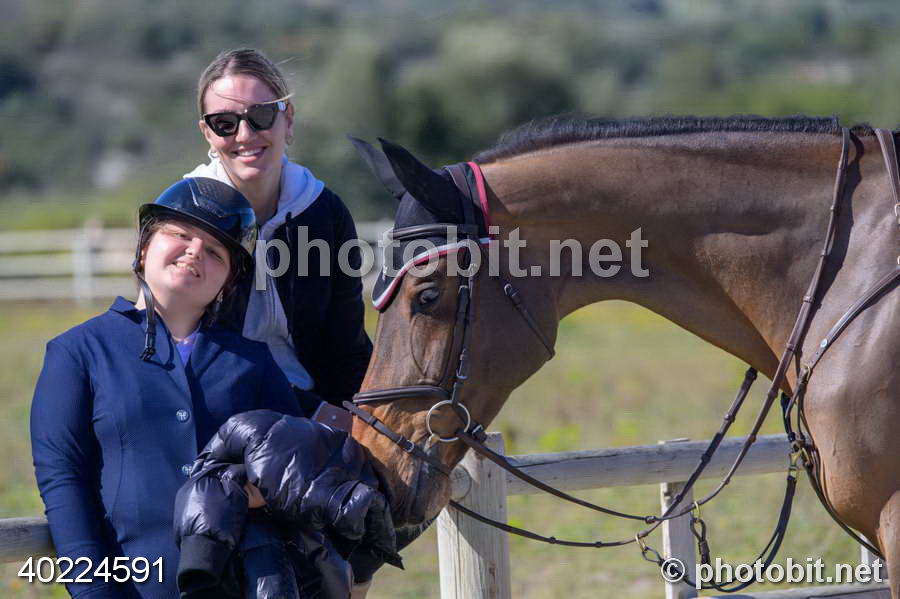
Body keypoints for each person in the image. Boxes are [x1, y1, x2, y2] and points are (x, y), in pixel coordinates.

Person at [30, 179, 306, 599]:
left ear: (228, 282)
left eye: (215, 252)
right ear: (144, 248)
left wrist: (259, 493)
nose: (195, 251)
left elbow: (294, 471)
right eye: (180, 234)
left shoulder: (254, 363)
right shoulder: (77, 352)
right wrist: (93, 591)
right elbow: (63, 480)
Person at [186, 48, 372, 432]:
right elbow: (194, 353)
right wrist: (314, 413)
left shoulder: (325, 212)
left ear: (288, 119)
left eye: (261, 116)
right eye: (224, 123)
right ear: (207, 133)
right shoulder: (187, 218)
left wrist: (362, 427)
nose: (245, 135)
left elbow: (347, 348)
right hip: (214, 416)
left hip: (321, 414)